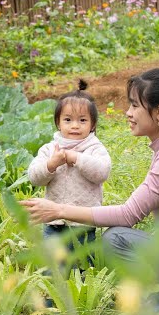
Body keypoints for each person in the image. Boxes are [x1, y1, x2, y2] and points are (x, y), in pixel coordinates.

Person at [21, 67, 159, 310]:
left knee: (116, 238)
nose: (128, 113)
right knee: (117, 240)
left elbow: (128, 215)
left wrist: (59, 210)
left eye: (135, 106)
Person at [26, 80, 111, 267]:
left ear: (93, 124)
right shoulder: (50, 149)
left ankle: (82, 292)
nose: (75, 126)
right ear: (58, 123)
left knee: (82, 266)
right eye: (68, 120)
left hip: (83, 223)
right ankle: (53, 293)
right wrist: (51, 164)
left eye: (82, 120)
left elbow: (102, 172)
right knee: (53, 266)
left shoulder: (94, 148)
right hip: (53, 223)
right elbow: (34, 177)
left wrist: (77, 159)